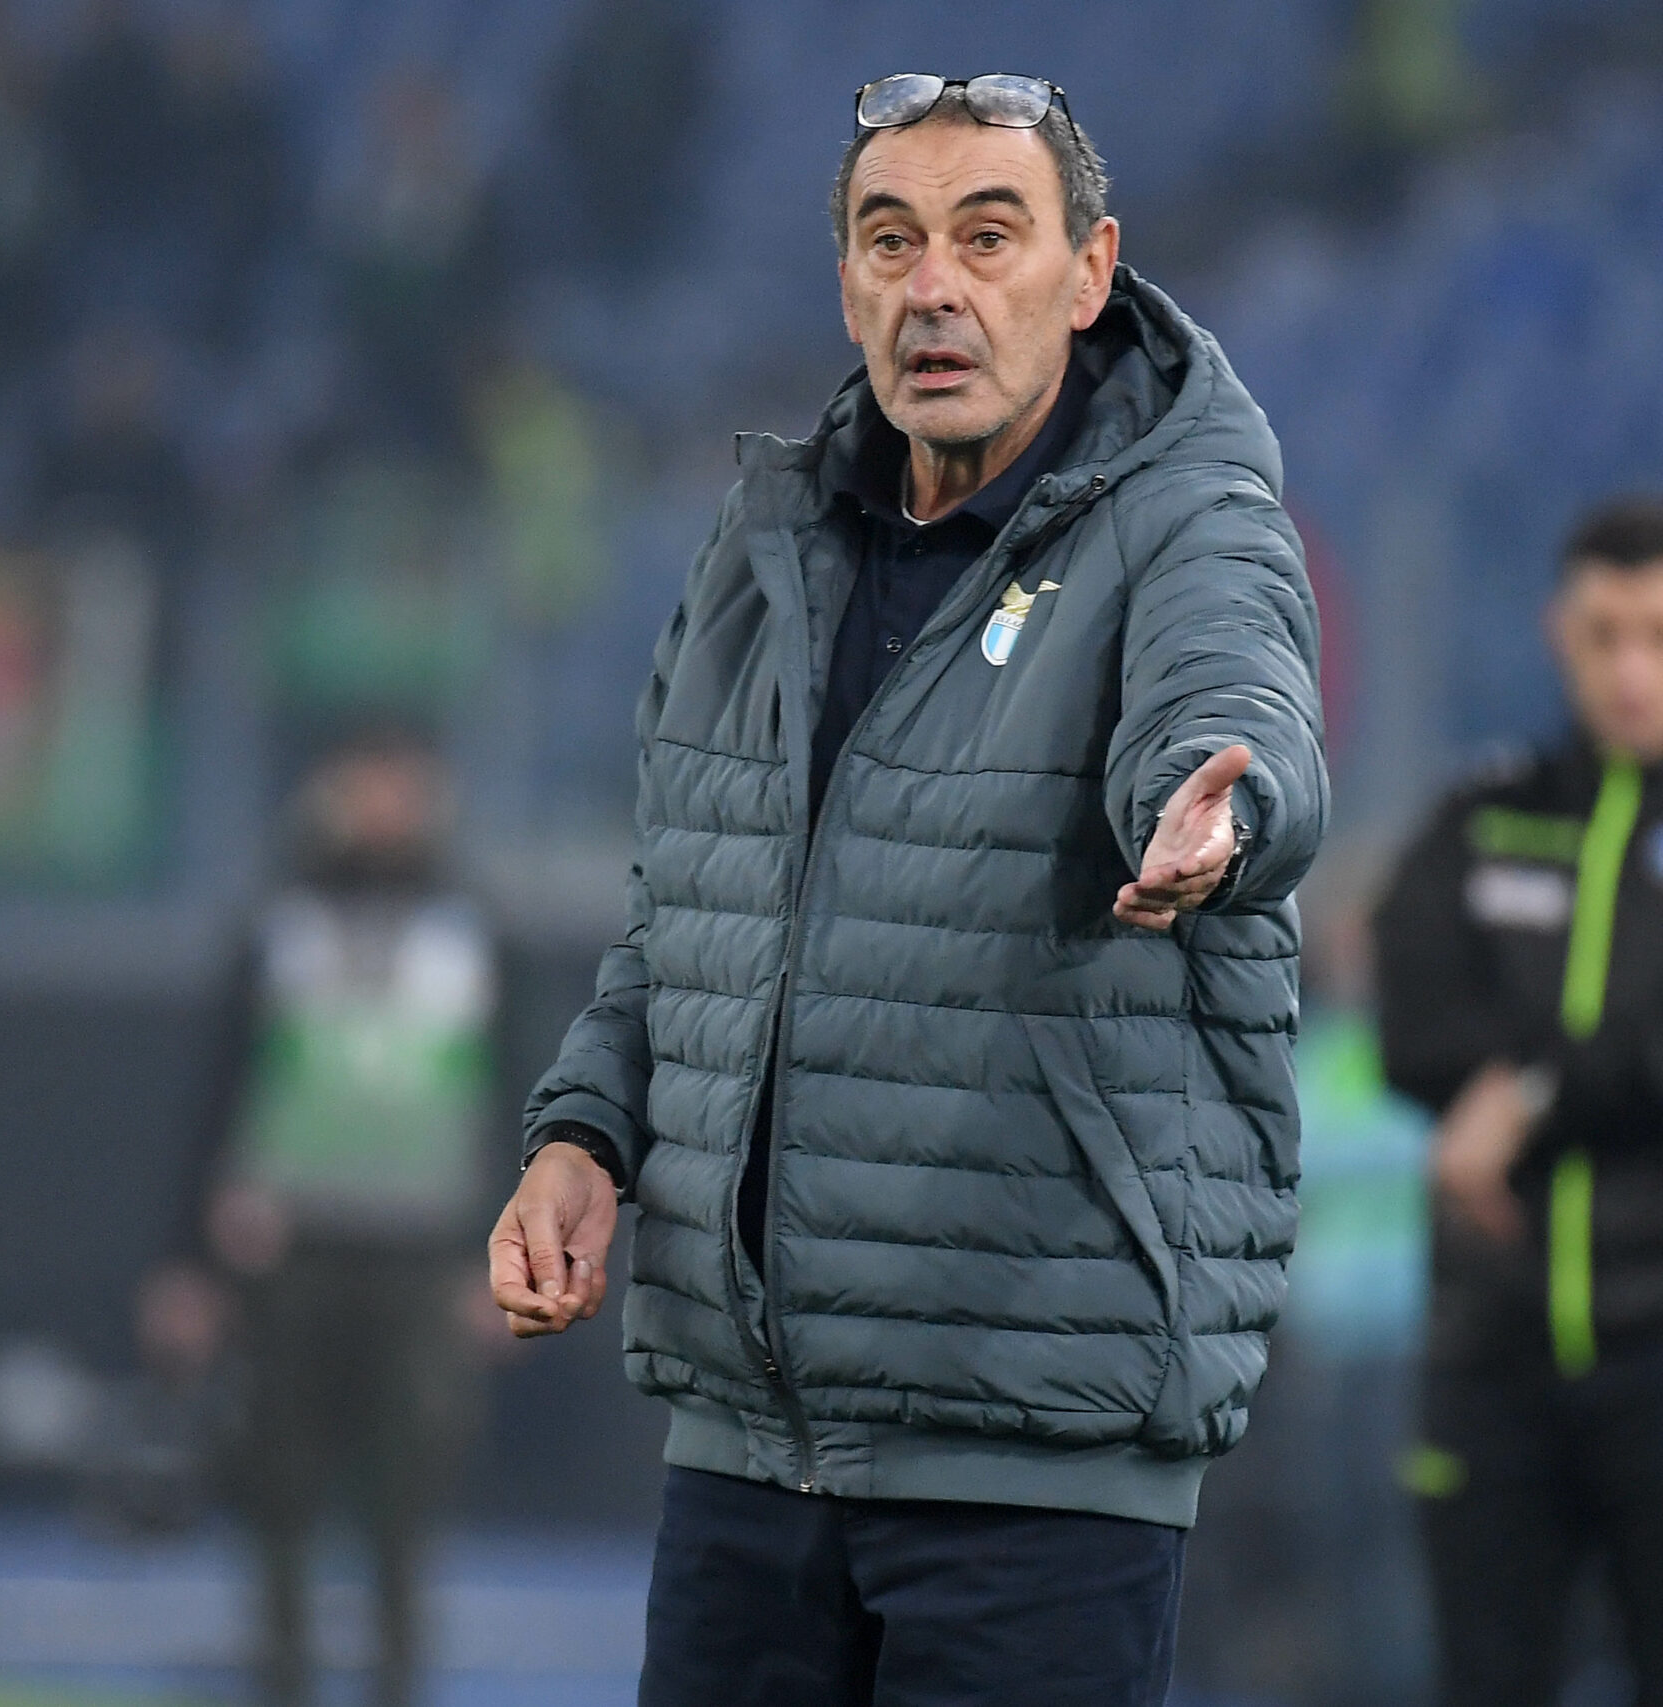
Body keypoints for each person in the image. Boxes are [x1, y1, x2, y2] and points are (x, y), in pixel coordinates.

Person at [490, 74, 1328, 1706]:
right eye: (892, 240)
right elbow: (691, 919)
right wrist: (585, 1132)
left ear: (1089, 274)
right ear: (848, 282)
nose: (934, 285)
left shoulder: (1194, 528)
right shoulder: (761, 554)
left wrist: (1224, 809)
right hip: (748, 1458)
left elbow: (1233, 706)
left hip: (1034, 1461)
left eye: (988, 237)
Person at [1371, 496, 1663, 1707]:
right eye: (1604, 634)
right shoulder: (1480, 818)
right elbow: (1412, 1032)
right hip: (1489, 1355)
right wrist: (1638, 1042)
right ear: (1557, 634)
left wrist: (1523, 1092)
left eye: (1662, 636)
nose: (1632, 669)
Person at [140, 734, 504, 1707]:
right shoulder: (280, 926)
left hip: (420, 1254)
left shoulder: (471, 934)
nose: (380, 807)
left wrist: (501, 1260)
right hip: (292, 1248)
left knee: (406, 1500)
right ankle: (283, 1677)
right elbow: (221, 1092)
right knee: (279, 1485)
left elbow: (514, 1098)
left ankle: (396, 1683)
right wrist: (188, 1259)